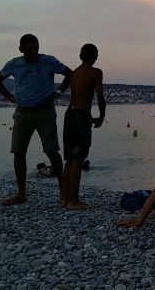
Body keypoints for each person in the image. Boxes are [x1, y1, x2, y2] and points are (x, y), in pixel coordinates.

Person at [0, 34, 72, 205]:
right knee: (18, 151)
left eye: (36, 47)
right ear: (21, 49)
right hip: (23, 112)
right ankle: (21, 193)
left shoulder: (48, 61)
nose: (34, 51)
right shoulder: (14, 64)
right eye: (30, 49)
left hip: (45, 111)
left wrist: (59, 92)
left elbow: (69, 74)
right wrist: (10, 97)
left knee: (51, 150)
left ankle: (64, 191)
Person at [62, 43, 105, 210]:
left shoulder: (73, 73)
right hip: (82, 115)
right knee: (78, 158)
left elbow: (61, 90)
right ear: (96, 57)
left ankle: (65, 198)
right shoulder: (96, 72)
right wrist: (101, 116)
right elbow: (100, 97)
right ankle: (74, 201)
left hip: (69, 114)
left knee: (69, 158)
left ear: (80, 56)